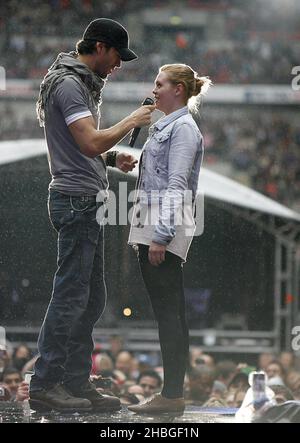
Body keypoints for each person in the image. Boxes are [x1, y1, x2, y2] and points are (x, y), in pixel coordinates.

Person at [29, 18, 155, 413]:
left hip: (86, 199)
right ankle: (46, 384)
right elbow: (87, 142)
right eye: (118, 55)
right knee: (71, 297)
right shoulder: (69, 84)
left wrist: (110, 157)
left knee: (90, 299)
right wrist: (132, 121)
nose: (119, 65)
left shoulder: (74, 81)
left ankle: (75, 382)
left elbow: (81, 147)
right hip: (77, 200)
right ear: (100, 47)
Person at [128, 64, 211, 414]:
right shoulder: (168, 126)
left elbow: (177, 185)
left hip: (163, 221)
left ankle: (172, 393)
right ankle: (173, 391)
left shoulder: (183, 130)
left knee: (168, 312)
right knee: (171, 311)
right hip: (156, 217)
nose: (154, 89)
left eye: (159, 84)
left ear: (178, 89)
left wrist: (160, 236)